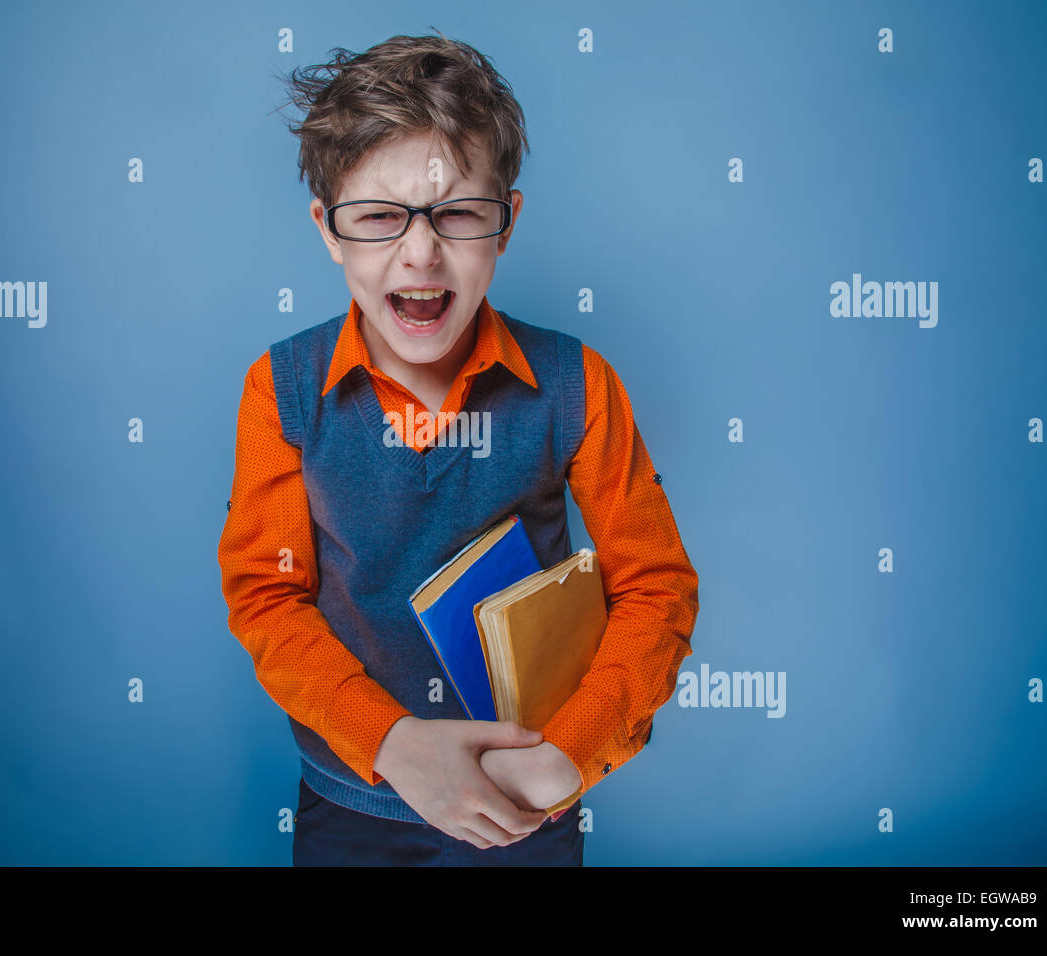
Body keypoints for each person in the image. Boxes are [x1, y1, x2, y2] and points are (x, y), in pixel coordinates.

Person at [217, 32, 699, 866]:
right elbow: (268, 599)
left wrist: (567, 755)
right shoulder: (281, 390)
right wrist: (393, 744)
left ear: (506, 224)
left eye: (458, 214)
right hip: (351, 804)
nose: (420, 252)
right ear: (329, 232)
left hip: (529, 807)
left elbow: (655, 585)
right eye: (377, 217)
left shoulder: (578, 385)